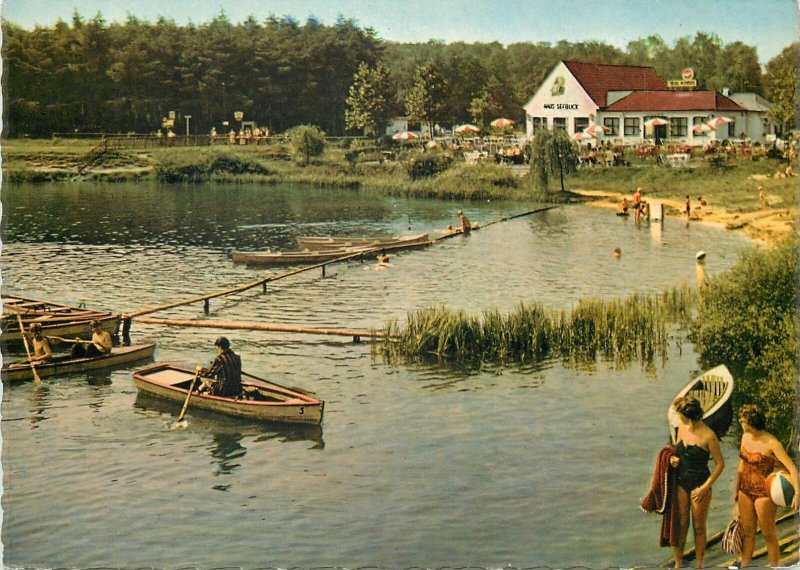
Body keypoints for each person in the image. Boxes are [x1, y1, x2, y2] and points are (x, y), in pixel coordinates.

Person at [733, 404, 799, 568]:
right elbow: (741, 466)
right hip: (745, 489)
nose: (740, 423)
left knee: (768, 534)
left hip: (764, 491)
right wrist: (735, 493)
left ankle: (773, 566)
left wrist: (797, 493)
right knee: (748, 533)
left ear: (750, 422)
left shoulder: (772, 442)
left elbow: (791, 467)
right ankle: (745, 565)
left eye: (742, 421)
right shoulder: (745, 437)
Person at [669, 396, 725, 569]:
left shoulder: (708, 435)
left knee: (699, 527)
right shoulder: (681, 429)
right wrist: (673, 459)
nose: (678, 417)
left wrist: (705, 487)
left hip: (700, 483)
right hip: (681, 481)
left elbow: (720, 464)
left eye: (680, 414)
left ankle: (699, 565)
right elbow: (676, 452)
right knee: (681, 524)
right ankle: (678, 564)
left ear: (688, 415)